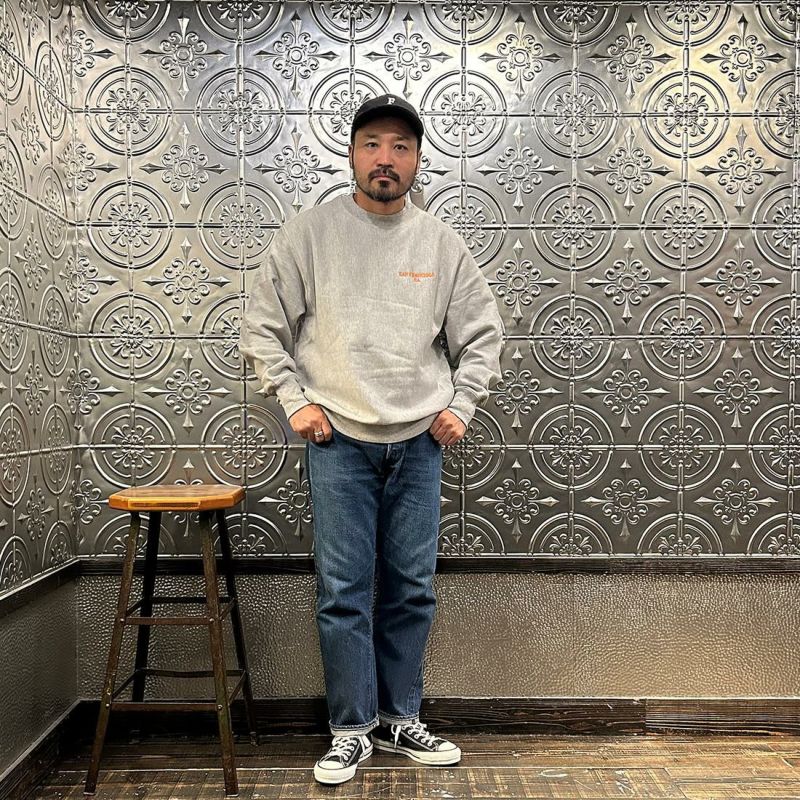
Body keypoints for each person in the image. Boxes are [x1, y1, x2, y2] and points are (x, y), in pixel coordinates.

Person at [240, 94, 503, 785]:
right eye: (373, 144)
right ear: (353, 154)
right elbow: (262, 325)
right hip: (338, 441)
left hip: (420, 442)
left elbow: (482, 336)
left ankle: (399, 718)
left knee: (412, 589)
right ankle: (351, 729)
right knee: (343, 591)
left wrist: (462, 404)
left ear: (417, 161)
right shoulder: (311, 233)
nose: (386, 159)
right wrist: (295, 400)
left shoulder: (441, 243)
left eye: (401, 147)